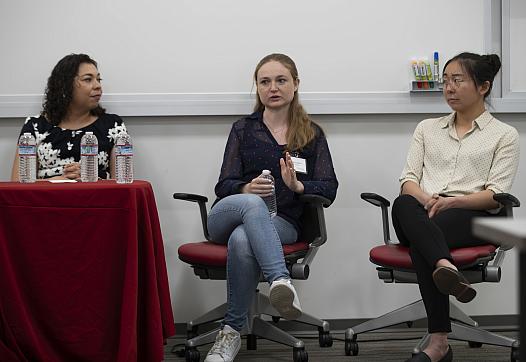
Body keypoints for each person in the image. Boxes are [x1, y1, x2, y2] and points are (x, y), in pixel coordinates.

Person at [204, 53, 338, 362]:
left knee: (242, 238)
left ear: (296, 84)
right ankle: (281, 280)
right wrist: (245, 188)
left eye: (281, 80)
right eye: (265, 81)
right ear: (257, 87)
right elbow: (223, 185)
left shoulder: (311, 134)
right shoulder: (243, 129)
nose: (273, 87)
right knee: (250, 206)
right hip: (226, 216)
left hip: (283, 222)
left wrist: (298, 187)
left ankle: (231, 333)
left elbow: (330, 188)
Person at [393, 52, 520, 362]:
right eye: (445, 81)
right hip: (421, 211)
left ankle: (438, 343)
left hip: (470, 215)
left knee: (427, 239)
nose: (448, 87)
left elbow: (496, 193)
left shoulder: (504, 135)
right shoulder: (427, 128)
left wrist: (453, 202)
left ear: (483, 87)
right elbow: (409, 180)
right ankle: (445, 266)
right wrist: (428, 200)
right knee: (402, 203)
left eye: (457, 80)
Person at [11, 53, 127, 181]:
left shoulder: (113, 125)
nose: (98, 86)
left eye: (98, 79)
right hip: (47, 199)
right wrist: (60, 180)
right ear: (65, 86)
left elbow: (123, 183)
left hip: (97, 198)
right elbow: (18, 183)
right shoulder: (35, 126)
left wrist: (90, 177)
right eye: (88, 79)